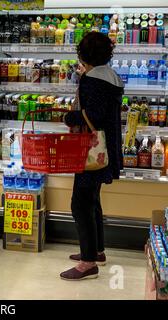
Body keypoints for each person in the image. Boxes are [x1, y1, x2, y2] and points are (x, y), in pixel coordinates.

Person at [60, 32, 124, 281]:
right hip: (105, 148)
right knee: (93, 200)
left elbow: (93, 116)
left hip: (92, 151)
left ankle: (88, 262)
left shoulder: (92, 80)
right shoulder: (111, 76)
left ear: (84, 54)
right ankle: (96, 251)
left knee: (80, 203)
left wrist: (70, 117)